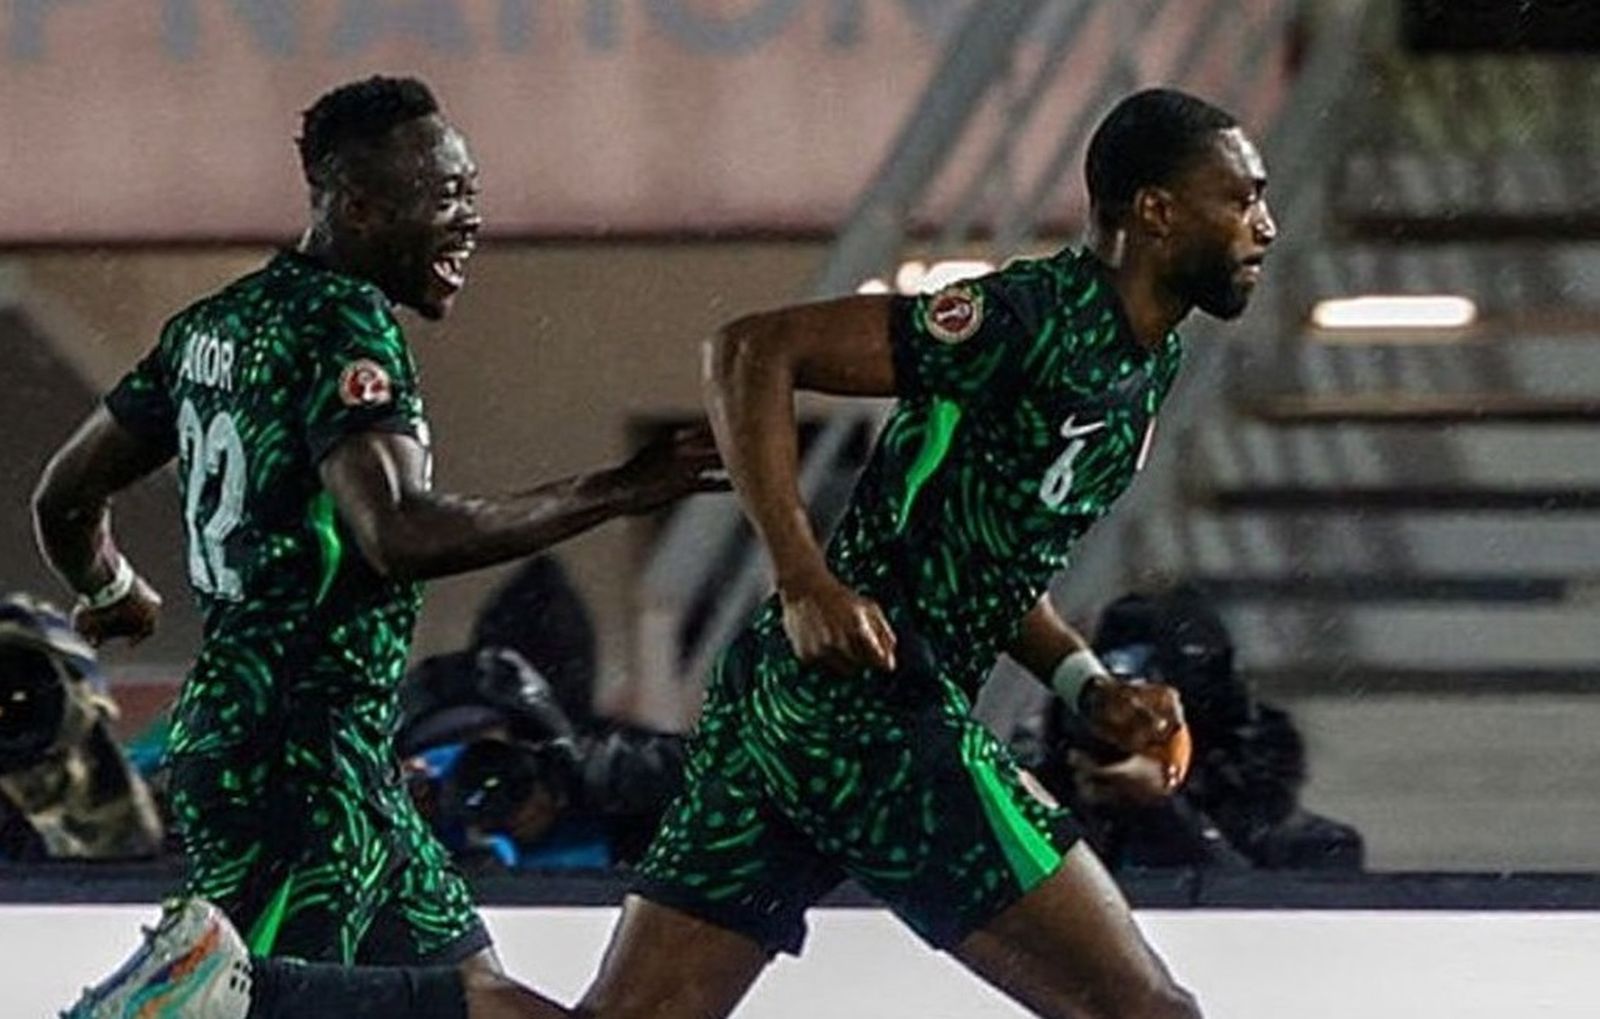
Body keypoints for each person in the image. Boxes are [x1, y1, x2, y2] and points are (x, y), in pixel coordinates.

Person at [67, 85, 1275, 1019]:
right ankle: (229, 992)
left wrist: (1081, 681)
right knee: (1147, 1008)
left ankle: (243, 993)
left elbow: (971, 561)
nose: (1262, 224)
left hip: (769, 716)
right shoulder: (1026, 320)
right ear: (1157, 210)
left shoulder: (1143, 359)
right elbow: (750, 349)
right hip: (857, 715)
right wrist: (796, 573)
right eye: (1244, 197)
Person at [40, 76, 720, 1018]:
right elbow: (397, 532)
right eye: (445, 198)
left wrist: (110, 586)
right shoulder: (344, 323)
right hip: (294, 760)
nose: (470, 221)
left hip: (326, 750)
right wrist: (617, 490)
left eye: (472, 194)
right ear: (358, 206)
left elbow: (65, 494)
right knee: (253, 1002)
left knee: (481, 998)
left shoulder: (210, 329)